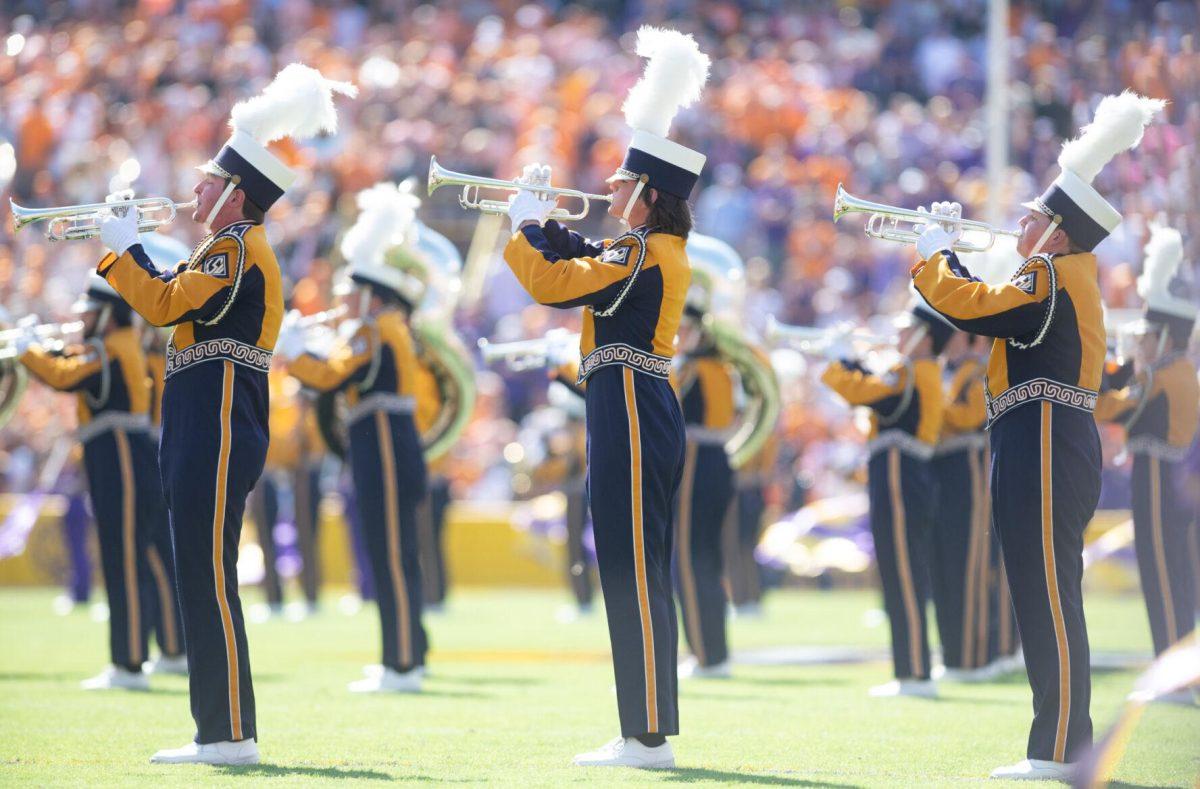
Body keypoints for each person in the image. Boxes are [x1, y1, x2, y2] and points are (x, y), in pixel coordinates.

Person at [94, 64, 354, 765]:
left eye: (210, 179)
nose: (196, 188)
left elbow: (163, 302)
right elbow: (172, 304)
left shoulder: (237, 246)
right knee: (199, 571)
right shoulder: (225, 246)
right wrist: (130, 253)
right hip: (200, 411)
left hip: (216, 415)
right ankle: (220, 728)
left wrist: (123, 248)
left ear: (237, 193)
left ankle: (229, 732)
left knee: (207, 572)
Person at [910, 91, 1164, 780]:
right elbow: (991, 312)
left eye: (1031, 215)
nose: (1018, 222)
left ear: (1056, 230)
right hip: (1037, 434)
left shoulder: (1051, 273)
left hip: (1046, 435)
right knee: (1040, 588)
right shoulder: (1052, 273)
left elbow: (981, 309)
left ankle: (1058, 748)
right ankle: (1057, 742)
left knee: (1048, 591)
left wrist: (936, 258)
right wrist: (950, 261)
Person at [499, 26, 709, 769]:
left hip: (629, 405)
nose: (610, 190)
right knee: (633, 562)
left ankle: (645, 733)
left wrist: (523, 222)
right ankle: (644, 726)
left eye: (623, 184)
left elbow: (555, 282)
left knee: (628, 564)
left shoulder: (641, 249)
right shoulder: (646, 249)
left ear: (648, 197)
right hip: (632, 399)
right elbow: (579, 261)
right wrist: (544, 223)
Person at [277, 181, 430, 694]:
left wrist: (295, 353)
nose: (340, 304)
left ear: (367, 292)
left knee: (388, 553)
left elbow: (331, 376)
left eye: (347, 295)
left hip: (383, 441)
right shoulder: (380, 325)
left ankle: (402, 663)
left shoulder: (373, 326)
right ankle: (407, 654)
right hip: (389, 439)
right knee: (396, 552)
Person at [16, 274, 164, 690]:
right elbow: (72, 361)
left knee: (126, 558)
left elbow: (65, 376)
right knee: (120, 557)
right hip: (113, 456)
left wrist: (28, 351)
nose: (82, 321)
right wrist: (39, 349)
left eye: (89, 314)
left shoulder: (113, 349)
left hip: (122, 456)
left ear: (107, 316)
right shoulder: (108, 347)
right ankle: (128, 660)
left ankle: (130, 663)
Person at [821, 301, 947, 698]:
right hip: (901, 471)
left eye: (906, 331)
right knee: (898, 569)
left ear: (925, 338)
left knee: (903, 571)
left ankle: (913, 673)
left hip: (900, 472)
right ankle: (910, 670)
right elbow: (876, 395)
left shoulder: (909, 370)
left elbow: (866, 394)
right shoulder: (909, 370)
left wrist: (839, 361)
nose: (897, 337)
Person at [1095, 224, 1198, 688]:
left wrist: (1110, 371)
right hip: (1165, 476)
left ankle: (1174, 676)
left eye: (1147, 336)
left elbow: (1108, 406)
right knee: (1169, 574)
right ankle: (1175, 671)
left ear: (1166, 337)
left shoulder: (1165, 375)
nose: (1142, 343)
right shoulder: (1172, 371)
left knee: (1163, 574)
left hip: (1160, 477)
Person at [672, 277, 738, 679]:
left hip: (696, 460)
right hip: (717, 460)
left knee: (689, 560)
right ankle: (713, 651)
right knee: (706, 561)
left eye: (683, 329)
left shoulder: (693, 367)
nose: (676, 336)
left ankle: (705, 654)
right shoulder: (722, 365)